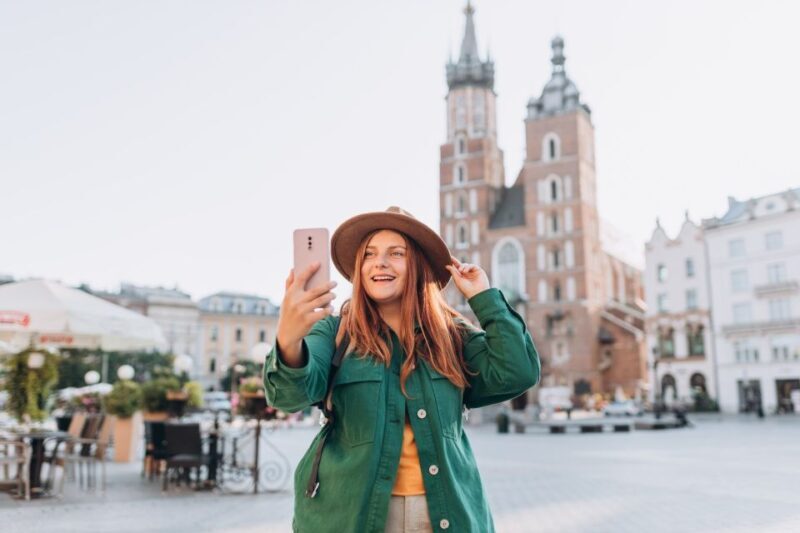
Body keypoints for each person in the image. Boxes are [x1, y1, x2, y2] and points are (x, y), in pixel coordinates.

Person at [264, 207, 541, 532]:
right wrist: (288, 336)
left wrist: (484, 298)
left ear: (418, 267)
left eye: (396, 253)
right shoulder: (335, 332)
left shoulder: (451, 335)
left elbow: (518, 371)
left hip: (444, 515)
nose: (380, 262)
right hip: (351, 516)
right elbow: (288, 396)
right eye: (369, 254)